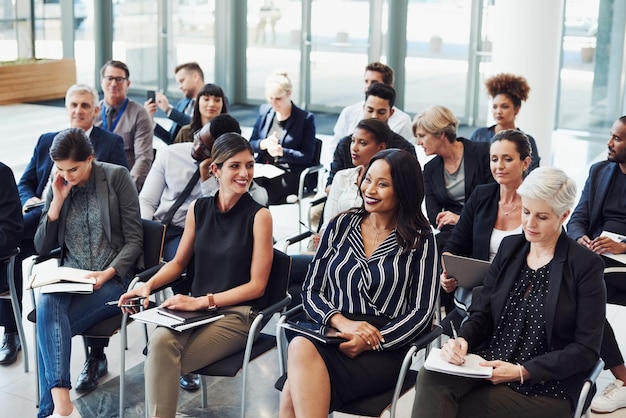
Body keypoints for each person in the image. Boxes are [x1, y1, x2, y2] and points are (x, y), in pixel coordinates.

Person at [411, 167, 606, 418]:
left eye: (542, 217)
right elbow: (482, 311)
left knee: (464, 408)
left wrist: (523, 371)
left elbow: (586, 349)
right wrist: (463, 340)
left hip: (547, 382)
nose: (530, 224)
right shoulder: (510, 248)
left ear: (564, 215)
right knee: (432, 375)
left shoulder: (585, 265)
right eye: (526, 212)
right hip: (492, 361)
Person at [118, 133, 274, 418]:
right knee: (160, 343)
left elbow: (257, 286)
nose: (245, 174)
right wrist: (147, 286)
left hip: (237, 316)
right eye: (235, 166)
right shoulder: (199, 209)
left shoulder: (259, 216)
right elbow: (178, 262)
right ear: (215, 170)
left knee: (162, 359)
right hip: (195, 313)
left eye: (249, 165)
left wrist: (201, 302)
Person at [278, 149, 439, 418]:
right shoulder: (340, 225)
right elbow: (311, 289)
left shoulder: (421, 239)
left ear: (404, 190)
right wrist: (341, 321)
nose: (370, 190)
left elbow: (422, 312)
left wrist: (373, 341)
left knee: (292, 387)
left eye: (383, 184)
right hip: (333, 333)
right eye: (368, 180)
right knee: (301, 350)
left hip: (383, 346)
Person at [0, 84, 128, 369]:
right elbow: (25, 181)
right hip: (44, 213)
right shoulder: (47, 140)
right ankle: (11, 329)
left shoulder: (110, 143)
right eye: (73, 105)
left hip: (89, 227)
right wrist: (32, 200)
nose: (78, 111)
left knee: (12, 241)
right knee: (6, 248)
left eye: (85, 105)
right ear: (66, 108)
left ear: (96, 110)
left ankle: (96, 355)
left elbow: (119, 198)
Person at [34, 128, 143, 418]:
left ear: (91, 159)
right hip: (72, 278)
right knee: (47, 304)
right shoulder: (58, 183)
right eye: (60, 168)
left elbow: (135, 240)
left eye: (73, 169)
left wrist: (107, 273)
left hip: (112, 281)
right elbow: (41, 244)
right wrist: (56, 201)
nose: (66, 175)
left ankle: (50, 413)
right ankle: (63, 408)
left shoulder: (116, 177)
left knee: (49, 327)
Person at [286, 118, 392, 309]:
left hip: (357, 259)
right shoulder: (343, 177)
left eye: (363, 143)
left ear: (380, 147)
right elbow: (329, 220)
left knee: (293, 278)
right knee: (286, 274)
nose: (354, 148)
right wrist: (324, 238)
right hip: (330, 251)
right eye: (353, 141)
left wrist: (332, 241)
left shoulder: (387, 186)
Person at [566, 115, 626, 413]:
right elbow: (578, 217)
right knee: (578, 289)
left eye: (617, 138)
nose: (609, 142)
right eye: (612, 135)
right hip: (598, 255)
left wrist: (623, 246)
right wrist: (582, 238)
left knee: (581, 291)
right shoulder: (601, 170)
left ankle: (623, 380)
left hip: (622, 259)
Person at [440, 129, 531, 320]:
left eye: (507, 159)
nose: (499, 166)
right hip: (477, 291)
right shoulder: (481, 195)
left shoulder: (536, 203)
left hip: (518, 294)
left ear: (525, 163)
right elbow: (454, 245)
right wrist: (447, 273)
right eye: (494, 159)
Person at [414, 105, 492, 251]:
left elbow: (493, 199)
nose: (418, 142)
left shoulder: (483, 152)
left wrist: (461, 219)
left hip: (484, 227)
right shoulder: (430, 169)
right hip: (452, 234)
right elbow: (433, 215)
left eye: (422, 136)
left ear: (441, 133)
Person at [326, 83, 417, 191]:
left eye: (381, 112)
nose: (374, 116)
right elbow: (329, 186)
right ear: (363, 108)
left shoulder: (403, 150)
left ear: (391, 113)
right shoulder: (346, 144)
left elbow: (411, 191)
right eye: (370, 110)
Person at [250, 71, 316, 204]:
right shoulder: (265, 111)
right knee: (242, 186)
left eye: (278, 99)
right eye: (270, 98)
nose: (273, 103)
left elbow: (307, 156)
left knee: (259, 193)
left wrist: (282, 152)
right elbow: (250, 144)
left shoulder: (305, 119)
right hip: (263, 168)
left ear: (289, 93)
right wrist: (264, 144)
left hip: (289, 172)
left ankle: (259, 223)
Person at [95, 60, 154, 190]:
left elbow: (143, 158)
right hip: (94, 182)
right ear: (101, 81)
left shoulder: (139, 114)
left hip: (124, 182)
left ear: (128, 84)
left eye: (119, 79)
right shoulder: (93, 111)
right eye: (109, 78)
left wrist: (128, 189)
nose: (114, 83)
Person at [331, 62, 414, 153]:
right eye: (366, 81)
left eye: (374, 82)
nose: (368, 86)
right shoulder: (349, 112)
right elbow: (335, 147)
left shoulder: (402, 121)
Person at [470, 73, 540, 172]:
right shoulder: (479, 135)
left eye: (504, 106)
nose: (498, 111)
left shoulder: (528, 141)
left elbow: (532, 175)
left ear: (516, 109)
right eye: (495, 107)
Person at [145, 62, 205, 144]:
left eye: (182, 81)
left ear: (195, 77)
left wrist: (168, 109)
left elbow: (198, 127)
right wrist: (150, 121)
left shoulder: (215, 100)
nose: (179, 87)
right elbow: (171, 139)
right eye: (178, 83)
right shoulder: (181, 104)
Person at [0, 162, 24, 365]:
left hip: (1, 254)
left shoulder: (2, 173)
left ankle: (11, 331)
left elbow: (10, 232)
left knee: (10, 256)